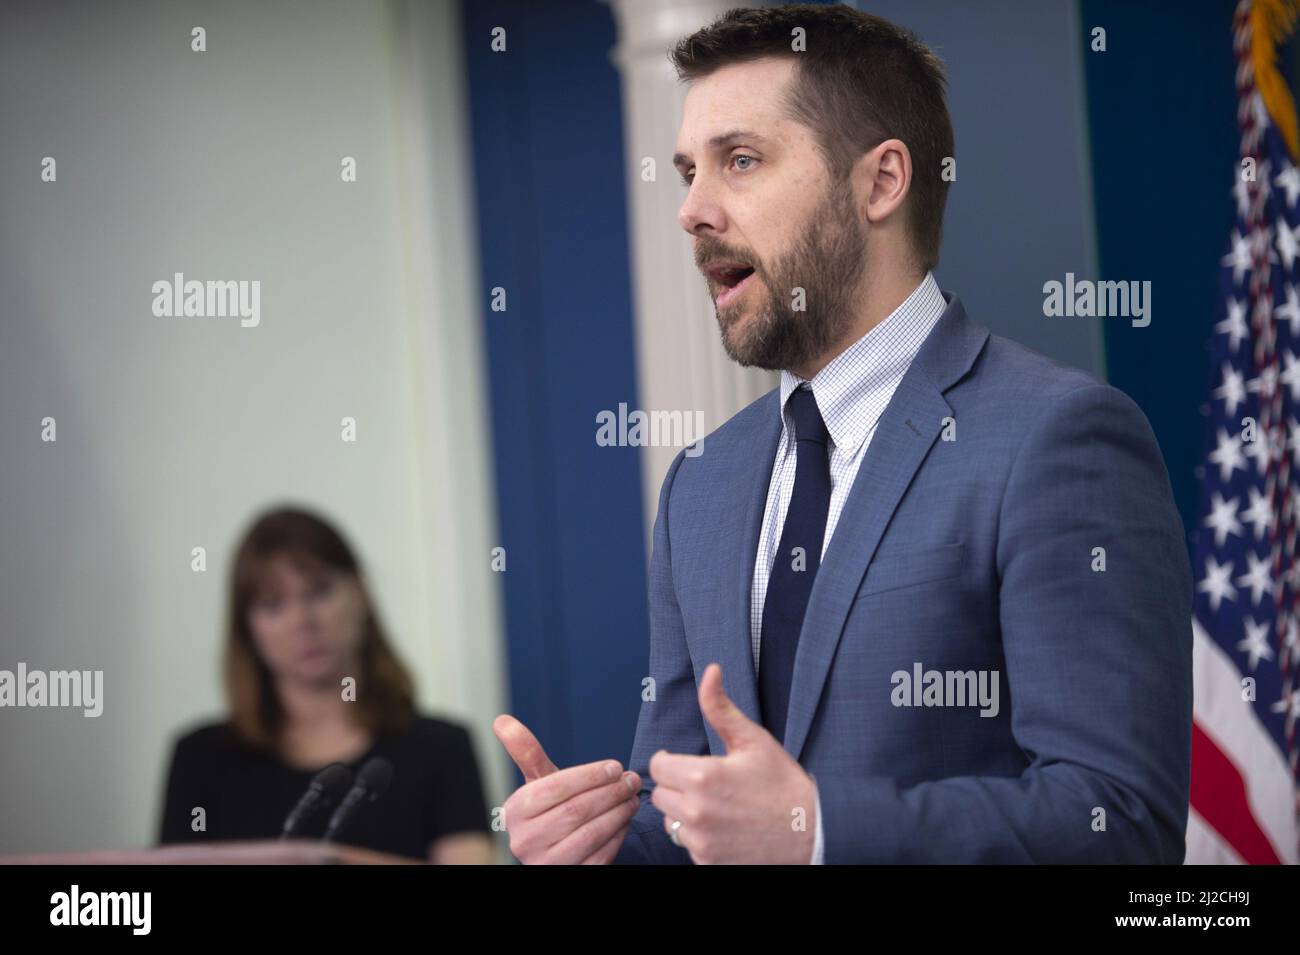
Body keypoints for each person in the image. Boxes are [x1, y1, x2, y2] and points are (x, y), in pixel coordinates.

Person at [493, 4, 1192, 864]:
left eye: (739, 160)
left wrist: (817, 829)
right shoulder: (700, 484)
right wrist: (598, 844)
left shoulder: (1059, 439)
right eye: (686, 172)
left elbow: (1118, 821)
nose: (692, 210)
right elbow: (684, 811)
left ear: (882, 182)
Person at [159, 506, 494, 863]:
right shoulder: (201, 758)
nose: (303, 621)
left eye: (319, 591)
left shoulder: (442, 748)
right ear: (248, 629)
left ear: (361, 593)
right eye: (274, 605)